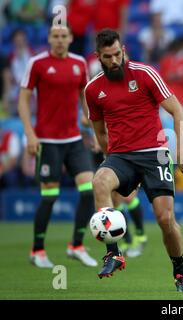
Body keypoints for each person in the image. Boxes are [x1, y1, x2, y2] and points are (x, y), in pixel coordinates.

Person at [84, 29, 183, 292]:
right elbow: (99, 131)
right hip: (121, 156)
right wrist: (110, 158)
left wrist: (182, 153)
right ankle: (114, 253)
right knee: (99, 182)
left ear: (124, 50)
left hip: (154, 154)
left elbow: (177, 110)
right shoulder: (93, 89)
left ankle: (180, 273)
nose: (114, 61)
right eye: (108, 57)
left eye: (118, 54)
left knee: (165, 220)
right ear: (98, 56)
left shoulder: (145, 74)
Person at [18, 25, 98, 268]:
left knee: (88, 190)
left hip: (73, 139)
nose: (60, 40)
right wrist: (30, 135)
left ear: (71, 38)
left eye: (64, 36)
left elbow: (84, 94)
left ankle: (76, 245)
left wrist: (89, 122)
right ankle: (37, 250)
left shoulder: (79, 63)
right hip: (47, 141)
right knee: (50, 196)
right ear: (49, 38)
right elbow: (23, 101)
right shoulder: (37, 63)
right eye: (55, 36)